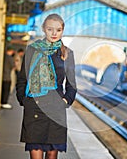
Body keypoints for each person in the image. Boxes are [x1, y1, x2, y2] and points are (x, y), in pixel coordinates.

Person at [16, 14, 77, 159]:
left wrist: (65, 101)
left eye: (58, 30)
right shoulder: (32, 50)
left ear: (63, 31)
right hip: (35, 108)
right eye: (50, 29)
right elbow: (22, 80)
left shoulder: (67, 54)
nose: (54, 33)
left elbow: (72, 85)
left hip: (56, 110)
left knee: (52, 155)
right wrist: (25, 101)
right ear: (44, 29)